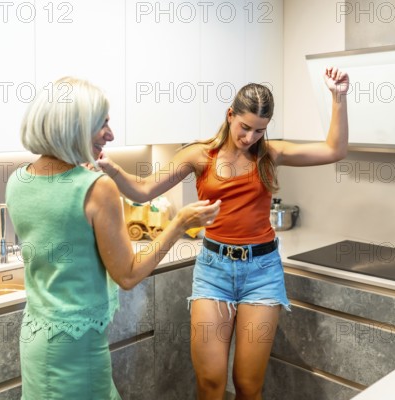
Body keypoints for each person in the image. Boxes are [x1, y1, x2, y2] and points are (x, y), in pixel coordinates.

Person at [98, 66, 349, 399]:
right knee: (211, 383)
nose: (250, 138)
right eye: (245, 127)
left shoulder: (271, 155)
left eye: (259, 131)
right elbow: (143, 191)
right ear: (230, 115)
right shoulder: (199, 155)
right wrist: (112, 169)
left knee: (247, 385)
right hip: (214, 271)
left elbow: (334, 150)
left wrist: (338, 98)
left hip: (262, 273)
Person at [5, 77, 221, 399]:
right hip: (78, 348)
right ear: (75, 127)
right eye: (102, 124)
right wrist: (178, 224)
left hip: (36, 337)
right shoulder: (96, 188)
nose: (111, 134)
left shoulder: (18, 180)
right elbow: (128, 274)